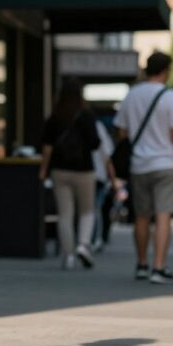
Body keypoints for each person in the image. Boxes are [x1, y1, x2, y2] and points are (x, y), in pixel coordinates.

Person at [114, 52, 173, 284]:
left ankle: (142, 264)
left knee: (142, 217)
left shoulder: (132, 95)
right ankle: (159, 266)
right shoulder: (171, 97)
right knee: (163, 215)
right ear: (166, 70)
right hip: (165, 163)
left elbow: (122, 132)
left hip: (139, 164)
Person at [39, 79, 102, 270]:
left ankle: (68, 255)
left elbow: (47, 148)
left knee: (65, 213)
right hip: (84, 169)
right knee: (87, 211)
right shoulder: (87, 116)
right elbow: (95, 143)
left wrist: (43, 169)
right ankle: (83, 244)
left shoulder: (55, 117)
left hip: (60, 170)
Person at [91, 118, 117, 252]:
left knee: (70, 211)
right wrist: (113, 181)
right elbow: (107, 156)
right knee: (94, 209)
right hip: (96, 175)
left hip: (84, 173)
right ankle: (94, 239)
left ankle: (83, 242)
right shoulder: (97, 126)